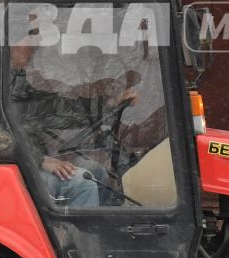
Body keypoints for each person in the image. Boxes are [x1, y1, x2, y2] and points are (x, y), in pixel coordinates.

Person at [7, 42, 135, 206]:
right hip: (11, 164)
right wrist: (39, 159)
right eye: (30, 46)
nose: (34, 52)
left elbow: (58, 109)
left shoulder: (18, 82)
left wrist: (109, 103)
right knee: (82, 183)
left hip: (28, 157)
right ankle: (84, 230)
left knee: (96, 171)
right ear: (11, 45)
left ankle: (100, 225)